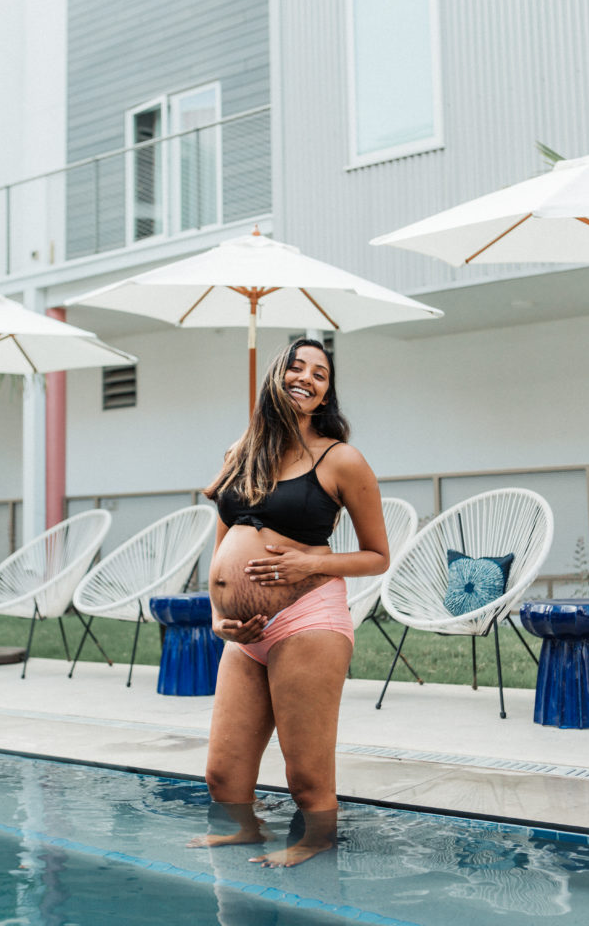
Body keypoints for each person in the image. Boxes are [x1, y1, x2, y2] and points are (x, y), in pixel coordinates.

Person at [195, 337, 389, 867]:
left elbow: (378, 556)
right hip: (244, 634)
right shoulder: (242, 454)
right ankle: (241, 832)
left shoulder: (340, 458)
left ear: (326, 395)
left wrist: (311, 563)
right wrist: (219, 616)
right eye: (295, 366)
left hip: (309, 617)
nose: (306, 376)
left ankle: (314, 843)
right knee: (222, 774)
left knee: (304, 775)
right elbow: (222, 545)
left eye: (320, 374)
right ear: (275, 377)